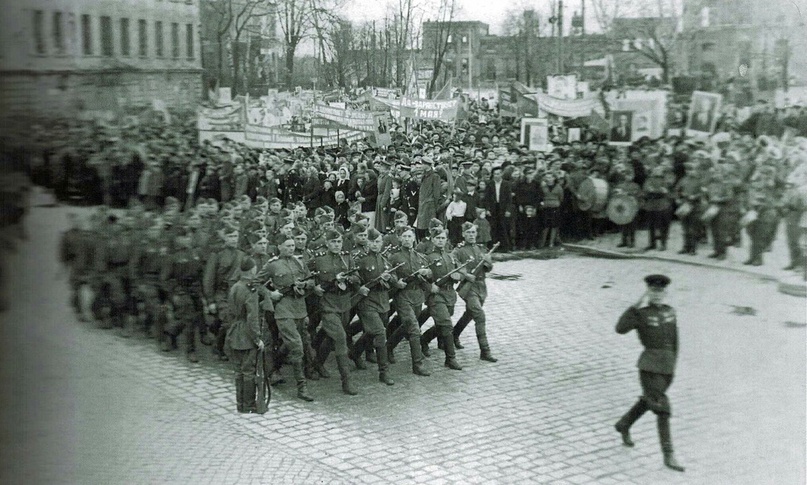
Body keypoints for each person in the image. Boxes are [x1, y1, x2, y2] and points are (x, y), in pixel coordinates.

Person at [614, 274, 685, 473]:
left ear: (665, 292)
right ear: (648, 292)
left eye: (660, 291)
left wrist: (673, 366)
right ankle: (668, 454)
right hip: (649, 368)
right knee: (663, 408)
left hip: (667, 368)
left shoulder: (670, 312)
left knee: (650, 400)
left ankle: (624, 424)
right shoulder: (641, 314)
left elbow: (675, 341)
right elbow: (620, 329)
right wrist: (635, 305)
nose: (657, 294)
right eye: (653, 291)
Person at [262, 237, 315, 401]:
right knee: (297, 347)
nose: (291, 248)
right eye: (288, 246)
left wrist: (304, 285)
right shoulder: (272, 265)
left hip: (300, 309)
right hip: (283, 310)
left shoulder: (299, 262)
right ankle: (302, 387)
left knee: (292, 344)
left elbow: (311, 280)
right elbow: (255, 284)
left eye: (293, 245)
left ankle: (273, 367)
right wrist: (270, 294)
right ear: (279, 246)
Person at [312, 230, 361, 396]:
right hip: (328, 304)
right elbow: (307, 276)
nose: (336, 245)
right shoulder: (318, 259)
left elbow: (357, 277)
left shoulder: (347, 257)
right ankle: (346, 381)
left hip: (344, 303)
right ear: (327, 243)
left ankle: (317, 363)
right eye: (333, 242)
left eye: (339, 242)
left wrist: (348, 278)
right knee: (340, 338)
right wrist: (314, 287)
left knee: (331, 336)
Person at [226, 257, 271, 413]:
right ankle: (249, 405)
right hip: (246, 334)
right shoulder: (250, 289)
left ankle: (240, 405)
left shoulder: (235, 286)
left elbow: (230, 312)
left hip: (235, 332)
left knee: (238, 371)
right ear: (253, 270)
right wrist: (257, 339)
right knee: (248, 371)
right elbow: (252, 318)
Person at [451, 222, 497, 362]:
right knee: (479, 315)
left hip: (481, 287)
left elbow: (488, 268)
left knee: (470, 314)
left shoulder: (481, 248)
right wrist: (465, 275)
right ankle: (485, 351)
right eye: (468, 233)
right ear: (463, 234)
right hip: (468, 288)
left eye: (473, 232)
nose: (471, 235)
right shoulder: (458, 251)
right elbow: (454, 265)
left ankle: (454, 334)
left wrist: (487, 263)